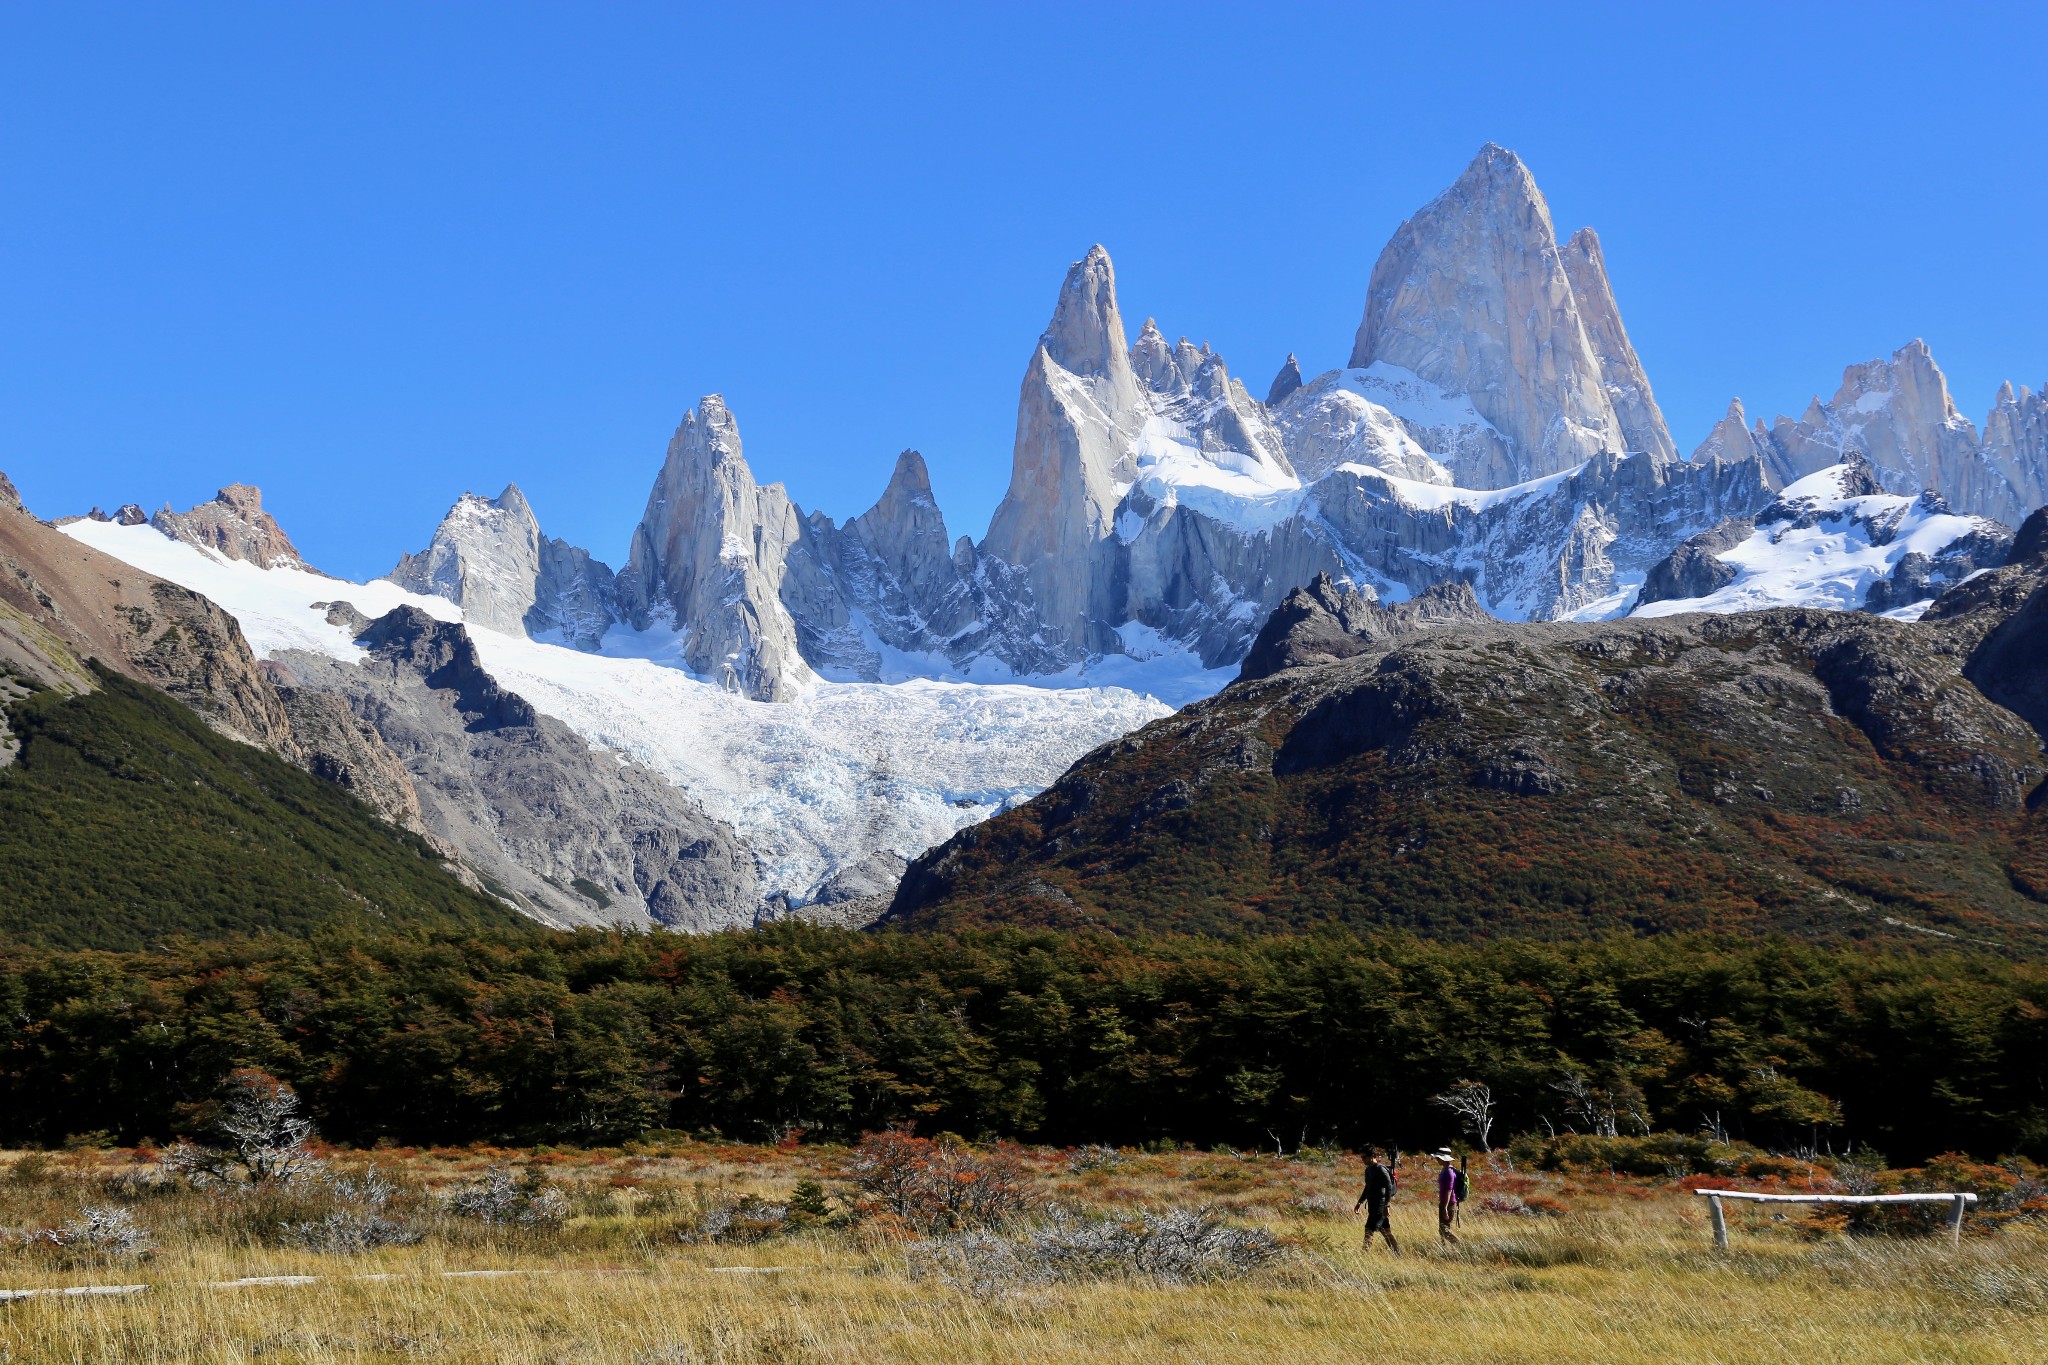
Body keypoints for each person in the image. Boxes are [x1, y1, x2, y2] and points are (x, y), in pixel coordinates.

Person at [1353, 1147, 1400, 1253]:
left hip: (1380, 1205)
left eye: (1364, 1157)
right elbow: (1367, 1187)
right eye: (1361, 1157)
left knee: (1369, 1229)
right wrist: (1359, 1202)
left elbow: (1388, 1187)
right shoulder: (1368, 1170)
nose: (1362, 1159)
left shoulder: (1380, 1169)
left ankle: (1364, 1254)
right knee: (1385, 1231)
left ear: (1372, 1156)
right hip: (1372, 1205)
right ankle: (1397, 1254)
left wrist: (1386, 1206)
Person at [1432, 1147, 1461, 1243]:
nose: (1437, 1160)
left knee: (1444, 1229)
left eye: (1438, 1158)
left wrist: (1445, 1208)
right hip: (1446, 1203)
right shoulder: (1446, 1170)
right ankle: (1444, 1247)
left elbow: (1449, 1190)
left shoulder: (1448, 1172)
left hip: (1448, 1203)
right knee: (1442, 1229)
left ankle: (1458, 1244)